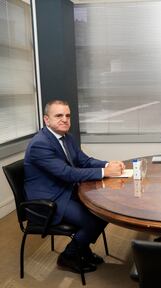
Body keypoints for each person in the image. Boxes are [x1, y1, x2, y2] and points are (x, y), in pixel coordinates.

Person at [24, 100, 125, 274]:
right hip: (49, 200)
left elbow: (84, 161)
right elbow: (67, 173)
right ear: (46, 120)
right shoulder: (40, 144)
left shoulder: (67, 137)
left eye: (67, 115)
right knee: (92, 220)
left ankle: (82, 249)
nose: (65, 119)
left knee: (104, 210)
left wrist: (109, 163)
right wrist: (105, 171)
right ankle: (68, 256)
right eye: (59, 115)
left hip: (65, 190)